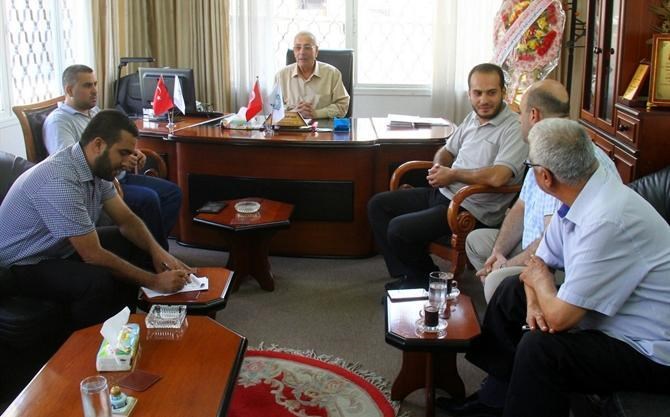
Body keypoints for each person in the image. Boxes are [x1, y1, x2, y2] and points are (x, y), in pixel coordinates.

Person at [443, 118, 670, 417]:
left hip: (650, 350)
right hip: (613, 318)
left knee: (541, 349)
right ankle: (494, 399)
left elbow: (559, 317)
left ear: (545, 177)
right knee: (510, 291)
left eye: (530, 166)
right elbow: (538, 263)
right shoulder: (580, 194)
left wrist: (542, 287)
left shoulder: (606, 219)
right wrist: (535, 300)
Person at [0, 110, 192, 329]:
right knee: (95, 282)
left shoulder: (95, 167)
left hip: (56, 248)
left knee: (132, 242)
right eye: (123, 153)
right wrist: (154, 281)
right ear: (98, 145)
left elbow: (127, 219)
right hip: (20, 263)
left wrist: (158, 252)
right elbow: (92, 255)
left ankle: (127, 326)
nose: (128, 161)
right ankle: (88, 345)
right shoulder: (60, 180)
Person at [367, 63, 527, 289]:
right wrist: (438, 167)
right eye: (477, 93)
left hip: (470, 208)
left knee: (399, 229)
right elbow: (447, 150)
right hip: (445, 193)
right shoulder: (472, 118)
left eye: (491, 93)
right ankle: (409, 275)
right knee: (378, 205)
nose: (484, 100)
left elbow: (499, 176)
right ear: (469, 94)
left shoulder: (514, 128)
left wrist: (452, 175)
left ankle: (424, 281)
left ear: (503, 92)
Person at [464, 80, 619, 302]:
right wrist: (498, 253)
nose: (519, 119)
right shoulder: (544, 146)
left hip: (562, 266)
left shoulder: (560, 158)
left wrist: (503, 267)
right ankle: (507, 303)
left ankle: (510, 307)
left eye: (521, 112)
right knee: (477, 243)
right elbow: (521, 206)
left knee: (498, 281)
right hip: (533, 245)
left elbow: (549, 244)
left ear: (533, 115)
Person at [43, 64, 182, 250]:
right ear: (69, 90)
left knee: (173, 193)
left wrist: (132, 152)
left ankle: (149, 249)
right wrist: (120, 162)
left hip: (119, 175)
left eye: (95, 84)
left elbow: (114, 143)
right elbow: (71, 164)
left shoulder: (95, 112)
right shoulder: (59, 122)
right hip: (99, 184)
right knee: (149, 199)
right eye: (87, 86)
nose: (95, 90)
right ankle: (154, 255)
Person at [275, 31, 350, 119]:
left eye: (307, 48)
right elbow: (275, 108)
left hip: (323, 125)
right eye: (298, 48)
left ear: (316, 51)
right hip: (291, 125)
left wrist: (316, 113)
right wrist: (294, 113)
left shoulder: (332, 73)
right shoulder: (281, 76)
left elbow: (342, 106)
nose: (302, 52)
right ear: (294, 51)